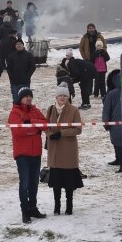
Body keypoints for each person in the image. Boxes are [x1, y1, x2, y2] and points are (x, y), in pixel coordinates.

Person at [8, 87, 48, 224]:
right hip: (22, 153)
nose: (29, 98)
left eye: (30, 96)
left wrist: (30, 123)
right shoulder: (15, 112)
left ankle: (33, 208)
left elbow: (45, 125)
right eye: (26, 96)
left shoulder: (35, 110)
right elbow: (19, 130)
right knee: (24, 183)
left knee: (34, 183)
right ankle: (25, 211)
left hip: (36, 152)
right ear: (20, 98)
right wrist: (34, 128)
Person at [45, 85, 84, 215]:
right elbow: (45, 126)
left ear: (68, 97)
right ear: (56, 97)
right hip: (55, 150)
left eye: (65, 95)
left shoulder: (74, 110)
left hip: (68, 150)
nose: (62, 97)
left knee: (69, 182)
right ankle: (56, 207)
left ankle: (69, 206)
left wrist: (62, 133)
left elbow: (78, 129)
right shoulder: (50, 109)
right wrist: (50, 134)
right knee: (56, 181)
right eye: (60, 95)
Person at [102, 70, 122, 173]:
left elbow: (106, 110)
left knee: (117, 143)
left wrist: (105, 123)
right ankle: (119, 160)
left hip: (114, 123)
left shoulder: (111, 94)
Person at [6, 39, 36, 104]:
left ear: (23, 45)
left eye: (20, 44)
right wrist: (11, 78)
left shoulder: (28, 55)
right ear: (15, 46)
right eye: (17, 44)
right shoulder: (11, 56)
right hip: (14, 83)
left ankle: (26, 114)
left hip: (25, 82)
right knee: (16, 100)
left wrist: (27, 76)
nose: (18, 45)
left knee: (26, 100)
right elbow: (8, 68)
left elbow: (33, 67)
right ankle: (16, 114)